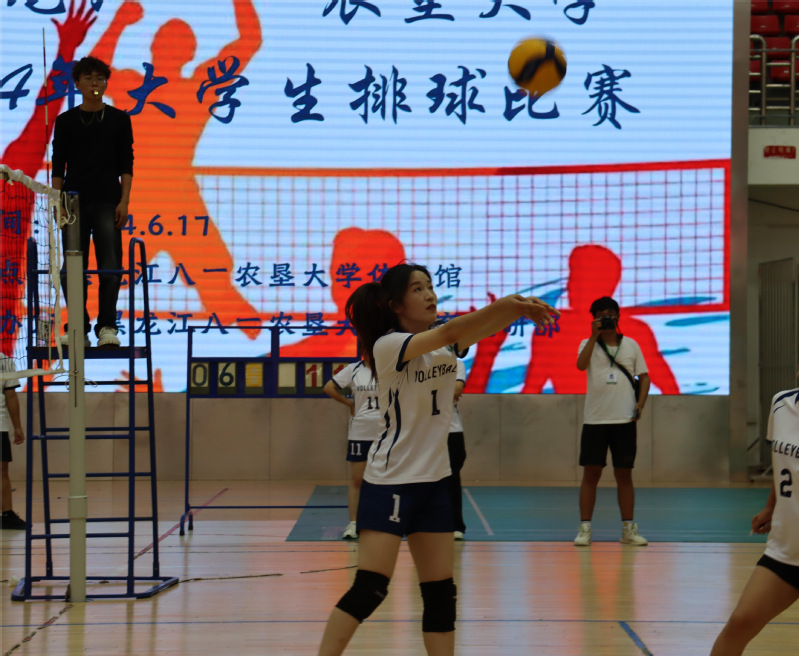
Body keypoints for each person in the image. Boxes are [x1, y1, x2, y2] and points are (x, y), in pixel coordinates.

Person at [317, 263, 558, 656]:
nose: (430, 294)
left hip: (435, 482)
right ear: (396, 305)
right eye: (417, 289)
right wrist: (511, 305)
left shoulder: (444, 346)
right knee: (370, 588)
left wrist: (518, 311)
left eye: (430, 286)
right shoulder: (388, 345)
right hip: (391, 480)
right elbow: (451, 331)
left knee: (440, 594)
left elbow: (473, 331)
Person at [710, 369, 799, 656]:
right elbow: (784, 463)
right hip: (785, 550)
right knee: (740, 623)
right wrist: (771, 506)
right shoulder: (781, 404)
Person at [52, 55, 134, 348]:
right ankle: (77, 327)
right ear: (77, 83)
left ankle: (107, 327)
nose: (94, 83)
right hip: (73, 203)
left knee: (110, 265)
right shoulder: (65, 121)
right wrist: (57, 202)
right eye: (88, 78)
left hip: (108, 201)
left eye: (99, 78)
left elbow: (126, 163)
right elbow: (58, 164)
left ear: (106, 83)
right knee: (72, 268)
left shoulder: (119, 120)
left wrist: (124, 201)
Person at [573, 296, 649, 547]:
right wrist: (593, 336)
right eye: (601, 315)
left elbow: (644, 377)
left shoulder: (631, 345)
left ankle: (628, 529)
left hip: (624, 419)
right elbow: (580, 366)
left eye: (610, 314)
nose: (606, 318)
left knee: (624, 475)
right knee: (591, 474)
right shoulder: (587, 343)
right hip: (595, 419)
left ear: (618, 316)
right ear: (594, 319)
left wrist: (640, 404)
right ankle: (585, 528)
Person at [323, 359, 381, 540]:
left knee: (387, 478)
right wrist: (349, 403)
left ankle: (384, 521)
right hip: (361, 432)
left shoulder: (390, 365)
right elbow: (329, 387)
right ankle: (354, 523)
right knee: (357, 479)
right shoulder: (354, 369)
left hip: (387, 431)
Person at [1, 353, 26, 530]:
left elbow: (11, 396)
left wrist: (17, 427)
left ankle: (7, 515)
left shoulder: (3, 360)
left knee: (1, 469)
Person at [447, 358, 468, 541]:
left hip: (451, 430)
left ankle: (456, 525)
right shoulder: (421, 363)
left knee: (452, 480)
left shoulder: (457, 363)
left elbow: (456, 390)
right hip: (426, 430)